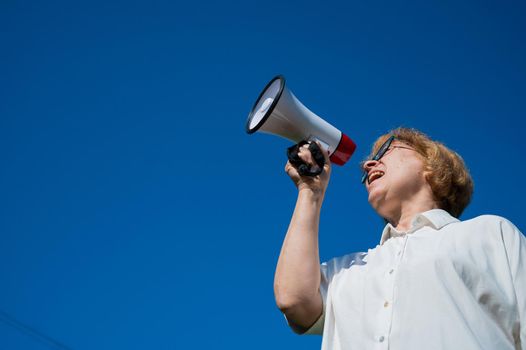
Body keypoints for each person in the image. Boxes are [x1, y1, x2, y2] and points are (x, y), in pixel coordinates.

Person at [274, 127, 525, 350]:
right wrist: (310, 190)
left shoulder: (491, 233)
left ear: (430, 165)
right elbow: (293, 300)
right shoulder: (348, 270)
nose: (367, 166)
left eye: (384, 151)